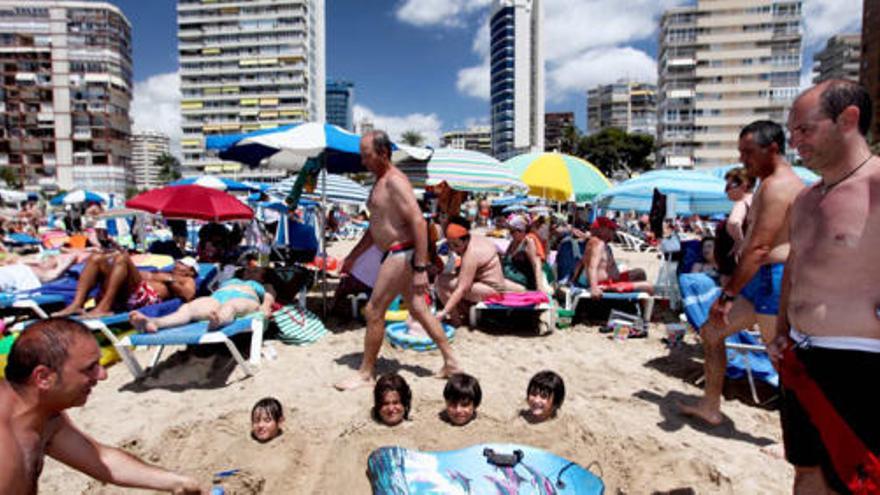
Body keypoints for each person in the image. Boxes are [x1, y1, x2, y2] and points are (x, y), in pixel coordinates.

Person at [769, 80, 880, 493]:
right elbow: (795, 270)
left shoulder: (875, 186)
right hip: (801, 355)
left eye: (805, 129)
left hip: (860, 361)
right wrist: (781, 332)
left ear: (848, 119)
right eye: (792, 130)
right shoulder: (806, 200)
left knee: (856, 481)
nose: (794, 141)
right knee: (805, 469)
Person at [678, 119, 805, 426]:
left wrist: (727, 295)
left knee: (782, 361)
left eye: (748, 152)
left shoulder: (779, 187)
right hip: (763, 277)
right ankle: (711, 406)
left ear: (772, 148)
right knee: (711, 332)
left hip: (776, 279)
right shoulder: (770, 184)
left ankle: (793, 435)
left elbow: (760, 249)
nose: (743, 160)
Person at [0, 318, 202, 494]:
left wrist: (178, 483)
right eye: (90, 369)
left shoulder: (44, 415)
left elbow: (102, 460)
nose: (102, 375)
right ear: (43, 377)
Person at [334, 130, 460, 390]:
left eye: (367, 155)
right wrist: (352, 257)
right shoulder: (379, 182)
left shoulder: (395, 181)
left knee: (373, 310)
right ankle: (451, 362)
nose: (363, 161)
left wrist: (420, 268)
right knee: (418, 309)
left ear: (382, 153)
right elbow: (374, 230)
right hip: (395, 252)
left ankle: (366, 373)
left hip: (402, 252)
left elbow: (418, 221)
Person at [52, 253, 198, 318]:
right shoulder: (160, 271)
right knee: (95, 258)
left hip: (144, 297)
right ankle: (77, 304)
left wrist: (169, 280)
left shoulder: (186, 280)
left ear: (191, 271)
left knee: (123, 258)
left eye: (183, 264)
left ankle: (104, 307)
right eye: (179, 261)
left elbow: (189, 295)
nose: (178, 264)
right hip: (126, 291)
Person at [129, 270, 274, 333]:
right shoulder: (230, 280)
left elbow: (268, 298)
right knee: (189, 308)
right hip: (216, 298)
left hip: (245, 298)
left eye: (257, 271)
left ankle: (218, 321)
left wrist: (265, 308)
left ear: (263, 276)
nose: (251, 271)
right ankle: (155, 322)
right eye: (248, 270)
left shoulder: (263, 285)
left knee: (232, 306)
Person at [435, 217, 518, 326]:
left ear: (465, 240)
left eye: (456, 245)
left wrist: (444, 312)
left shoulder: (471, 254)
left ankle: (456, 321)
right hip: (493, 285)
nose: (454, 249)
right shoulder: (476, 238)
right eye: (450, 245)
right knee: (449, 279)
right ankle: (464, 313)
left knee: (441, 281)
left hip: (490, 290)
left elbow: (462, 288)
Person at [571, 217, 653, 297]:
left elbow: (581, 263)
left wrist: (573, 280)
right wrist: (593, 287)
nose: (614, 232)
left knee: (639, 273)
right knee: (648, 286)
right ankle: (646, 309)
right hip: (604, 285)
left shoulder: (596, 242)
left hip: (611, 280)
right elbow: (592, 267)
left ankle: (634, 303)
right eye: (611, 229)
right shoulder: (598, 244)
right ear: (602, 229)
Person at [714, 167, 757, 286]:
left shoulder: (742, 202)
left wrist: (740, 243)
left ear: (743, 185)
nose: (725, 191)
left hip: (734, 270)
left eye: (728, 187)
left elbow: (734, 222)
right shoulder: (757, 201)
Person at [501, 215, 550, 293]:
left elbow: (536, 264)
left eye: (513, 231)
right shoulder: (512, 243)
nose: (511, 234)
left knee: (496, 283)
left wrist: (539, 287)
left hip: (523, 284)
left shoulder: (528, 243)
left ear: (521, 231)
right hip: (510, 280)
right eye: (510, 231)